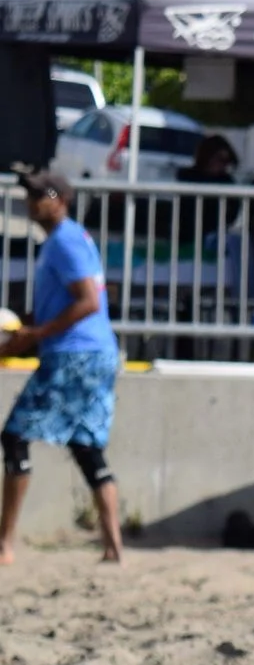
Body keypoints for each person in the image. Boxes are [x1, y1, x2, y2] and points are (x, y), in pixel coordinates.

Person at [1, 173, 125, 565]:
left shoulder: (65, 241)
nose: (32, 201)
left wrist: (38, 334)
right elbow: (71, 302)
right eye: (30, 194)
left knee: (15, 436)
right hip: (95, 352)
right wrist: (29, 329)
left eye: (41, 194)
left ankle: (4, 544)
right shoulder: (70, 239)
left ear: (62, 200)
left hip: (75, 355)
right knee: (86, 444)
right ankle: (113, 544)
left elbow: (87, 301)